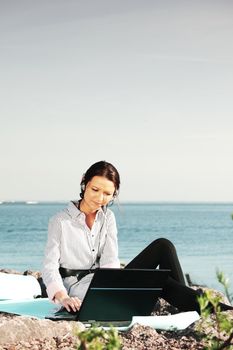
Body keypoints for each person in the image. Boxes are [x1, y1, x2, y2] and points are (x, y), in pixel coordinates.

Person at [42, 160, 233, 314]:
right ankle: (215, 310)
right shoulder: (59, 221)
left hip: (106, 281)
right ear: (84, 182)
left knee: (163, 245)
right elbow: (50, 268)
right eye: (95, 190)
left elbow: (110, 261)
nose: (100, 199)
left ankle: (186, 301)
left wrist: (115, 285)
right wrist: (63, 297)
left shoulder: (108, 217)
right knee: (160, 282)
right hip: (78, 289)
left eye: (107, 194)